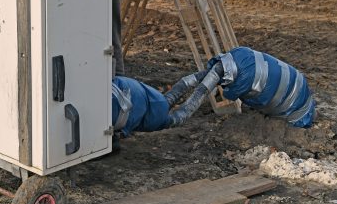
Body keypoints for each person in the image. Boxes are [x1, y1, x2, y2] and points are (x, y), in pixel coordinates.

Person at [111, 47, 316, 139]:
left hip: (295, 108)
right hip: (298, 88)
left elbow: (229, 94)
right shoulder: (241, 58)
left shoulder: (241, 65)